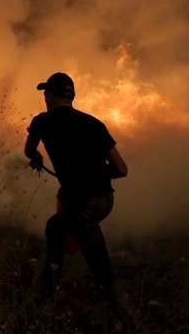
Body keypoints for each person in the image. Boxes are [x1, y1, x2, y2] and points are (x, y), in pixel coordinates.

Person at [24, 72, 129, 309]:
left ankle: (125, 314)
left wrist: (37, 157)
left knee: (100, 268)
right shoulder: (94, 124)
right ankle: (48, 293)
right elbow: (121, 169)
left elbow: (29, 150)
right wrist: (96, 173)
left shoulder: (42, 121)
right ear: (72, 96)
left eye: (45, 94)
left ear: (49, 96)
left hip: (85, 204)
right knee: (56, 225)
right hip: (103, 200)